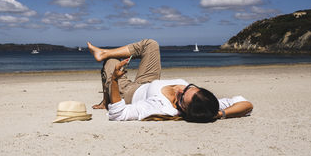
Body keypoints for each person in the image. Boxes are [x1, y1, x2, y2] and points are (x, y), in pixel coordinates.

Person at [87, 39, 253, 122]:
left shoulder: (161, 106)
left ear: (183, 110)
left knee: (111, 64)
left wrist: (115, 80)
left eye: (181, 98)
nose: (179, 89)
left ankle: (106, 99)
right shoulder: (205, 102)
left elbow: (118, 114)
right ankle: (104, 52)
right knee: (151, 45)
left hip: (129, 92)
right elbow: (245, 103)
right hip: (148, 81)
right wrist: (218, 114)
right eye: (188, 88)